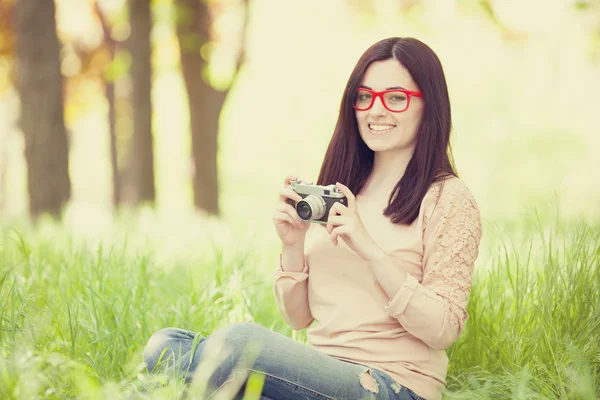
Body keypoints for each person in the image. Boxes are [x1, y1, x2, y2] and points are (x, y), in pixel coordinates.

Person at [143, 37, 483, 400]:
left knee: (238, 344)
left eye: (396, 98)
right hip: (314, 377)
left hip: (391, 386)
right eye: (364, 96)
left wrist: (369, 249)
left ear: (429, 105)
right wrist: (293, 246)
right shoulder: (342, 189)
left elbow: (444, 329)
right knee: (165, 344)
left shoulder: (447, 198)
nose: (376, 110)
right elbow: (299, 319)